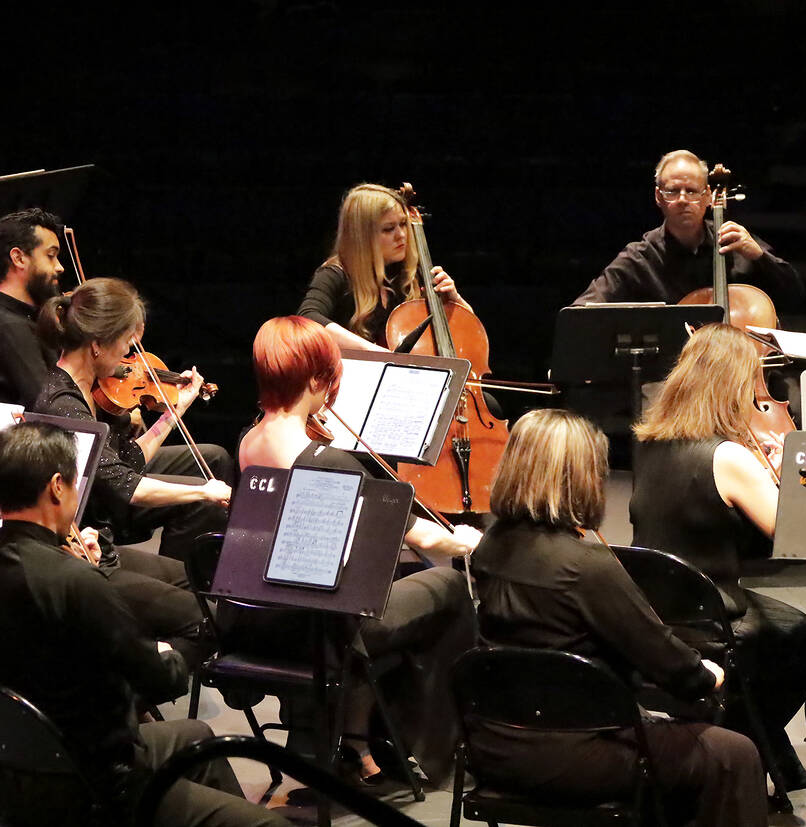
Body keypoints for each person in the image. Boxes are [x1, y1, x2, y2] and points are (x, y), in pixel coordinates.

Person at [471, 408, 767, 827]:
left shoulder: (490, 547)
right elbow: (668, 664)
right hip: (575, 753)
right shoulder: (585, 565)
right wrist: (707, 674)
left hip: (493, 744)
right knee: (733, 753)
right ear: (582, 477)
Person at [0, 421, 288, 827]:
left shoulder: (45, 570)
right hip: (95, 780)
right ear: (56, 488)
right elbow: (159, 681)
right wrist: (167, 655)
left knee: (197, 736)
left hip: (21, 769)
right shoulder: (76, 582)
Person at [238, 315, 480, 784]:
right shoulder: (328, 461)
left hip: (271, 618)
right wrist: (469, 539)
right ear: (314, 380)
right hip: (328, 628)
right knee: (448, 585)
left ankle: (353, 738)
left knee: (397, 580)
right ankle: (427, 752)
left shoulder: (248, 444)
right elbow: (423, 537)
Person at [629, 323, 806, 793]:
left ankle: (765, 751)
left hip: (657, 604)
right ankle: (744, 744)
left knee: (785, 627)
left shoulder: (651, 444)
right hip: (710, 614)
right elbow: (799, 536)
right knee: (802, 638)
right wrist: (791, 475)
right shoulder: (729, 457)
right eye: (753, 384)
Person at [33, 278, 233, 564]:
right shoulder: (64, 405)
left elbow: (130, 459)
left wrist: (174, 410)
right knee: (204, 505)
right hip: (93, 539)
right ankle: (183, 582)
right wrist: (203, 491)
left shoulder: (88, 388)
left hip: (109, 505)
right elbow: (128, 486)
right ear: (98, 345)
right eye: (126, 343)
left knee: (210, 475)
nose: (129, 354)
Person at [573, 149, 804, 306]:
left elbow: (794, 294)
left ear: (708, 197)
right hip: (670, 371)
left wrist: (759, 256)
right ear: (658, 197)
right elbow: (583, 309)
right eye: (673, 191)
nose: (682, 199)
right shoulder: (640, 258)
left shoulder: (734, 241)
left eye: (692, 191)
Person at [298, 182, 471, 352]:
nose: (402, 235)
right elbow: (308, 318)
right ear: (363, 236)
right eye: (389, 229)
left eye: (403, 224)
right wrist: (377, 354)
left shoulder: (411, 275)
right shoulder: (335, 274)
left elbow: (468, 335)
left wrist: (455, 301)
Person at [0, 208, 64, 407]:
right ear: (19, 258)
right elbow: (47, 405)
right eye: (51, 256)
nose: (60, 267)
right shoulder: (9, 325)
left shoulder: (29, 318)